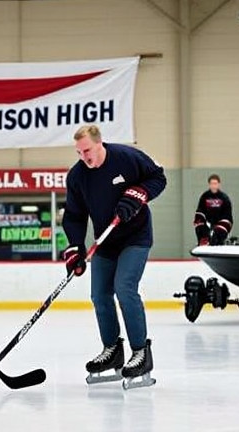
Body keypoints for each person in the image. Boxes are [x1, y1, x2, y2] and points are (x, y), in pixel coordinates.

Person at [62, 124, 166, 389]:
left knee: (124, 288)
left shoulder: (126, 157)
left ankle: (141, 352)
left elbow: (158, 177)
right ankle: (112, 350)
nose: (84, 157)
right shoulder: (77, 176)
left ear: (100, 143)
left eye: (87, 151)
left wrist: (140, 193)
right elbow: (74, 215)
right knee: (99, 294)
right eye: (79, 153)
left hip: (135, 237)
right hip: (105, 242)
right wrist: (75, 247)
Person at [193, 174, 233, 246]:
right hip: (208, 222)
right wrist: (203, 225)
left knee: (219, 231)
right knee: (198, 219)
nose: (213, 186)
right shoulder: (204, 197)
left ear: (219, 184)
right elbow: (200, 211)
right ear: (209, 185)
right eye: (212, 184)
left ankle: (216, 243)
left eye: (215, 184)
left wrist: (218, 226)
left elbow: (227, 215)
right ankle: (203, 241)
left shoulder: (224, 198)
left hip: (221, 222)